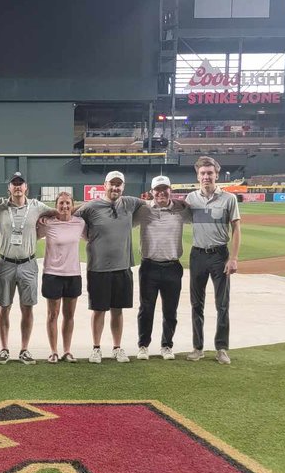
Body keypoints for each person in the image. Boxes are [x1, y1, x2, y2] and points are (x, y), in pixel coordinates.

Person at [74, 170, 145, 363]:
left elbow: (152, 204)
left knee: (117, 310)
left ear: (123, 186)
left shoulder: (130, 203)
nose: (115, 187)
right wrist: (85, 236)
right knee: (98, 310)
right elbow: (71, 217)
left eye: (118, 184)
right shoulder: (91, 207)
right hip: (98, 267)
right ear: (104, 185)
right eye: (111, 184)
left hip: (122, 267)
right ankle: (96, 348)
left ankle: (117, 347)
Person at [0, 172, 52, 364]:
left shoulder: (37, 207)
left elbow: (60, 213)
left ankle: (24, 349)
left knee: (27, 308)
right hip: (5, 263)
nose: (17, 187)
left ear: (26, 188)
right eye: (14, 184)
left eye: (20, 184)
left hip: (28, 263)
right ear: (9, 188)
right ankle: (4, 349)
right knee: (4, 307)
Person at [185, 156, 241, 364]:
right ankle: (197, 347)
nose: (206, 176)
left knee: (222, 304)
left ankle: (221, 348)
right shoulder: (190, 199)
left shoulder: (229, 199)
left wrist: (233, 258)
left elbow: (236, 229)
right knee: (196, 304)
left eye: (210, 173)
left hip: (219, 255)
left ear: (216, 175)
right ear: (197, 176)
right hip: (197, 254)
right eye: (202, 173)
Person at [133, 175, 191, 361]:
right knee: (146, 309)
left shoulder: (181, 210)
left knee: (170, 310)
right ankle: (143, 345)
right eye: (157, 189)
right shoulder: (143, 210)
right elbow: (124, 221)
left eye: (164, 189)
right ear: (151, 192)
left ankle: (167, 345)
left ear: (170, 190)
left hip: (172, 266)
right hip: (149, 266)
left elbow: (201, 214)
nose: (161, 192)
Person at [37, 191, 86, 363]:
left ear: (72, 206)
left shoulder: (80, 223)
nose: (64, 206)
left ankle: (67, 350)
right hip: (52, 274)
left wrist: (77, 208)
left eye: (68, 203)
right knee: (53, 314)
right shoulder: (48, 223)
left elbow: (87, 206)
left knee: (69, 315)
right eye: (61, 203)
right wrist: (46, 215)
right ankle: (53, 351)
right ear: (55, 205)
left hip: (73, 274)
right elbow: (35, 223)